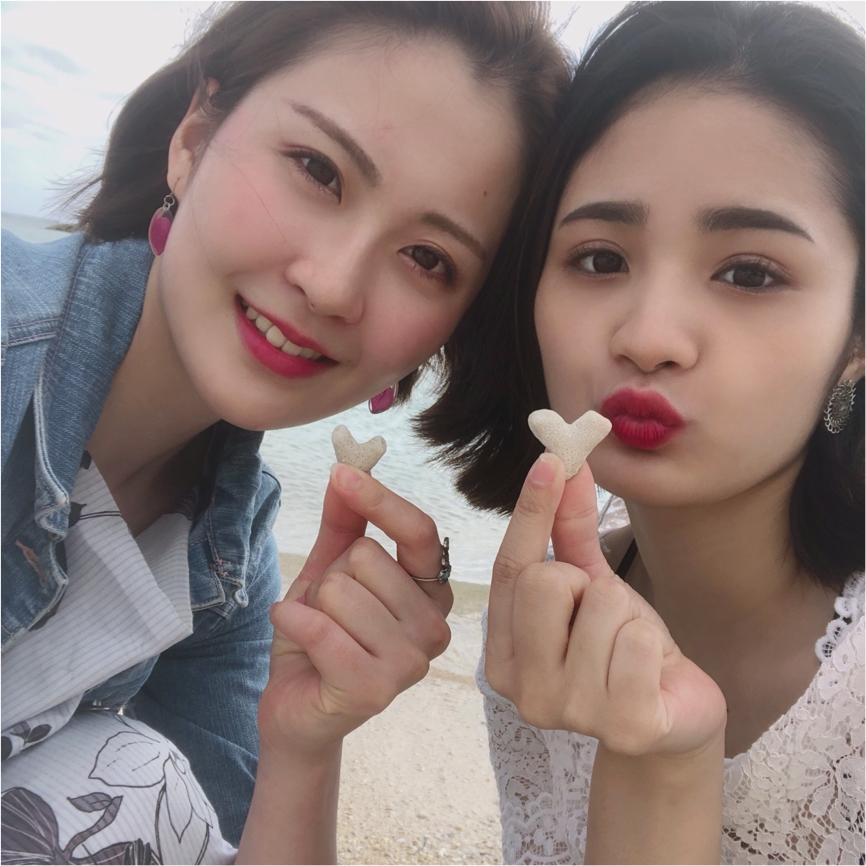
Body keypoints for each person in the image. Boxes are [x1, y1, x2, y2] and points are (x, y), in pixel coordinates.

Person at [0, 1, 570, 862]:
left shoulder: (224, 560)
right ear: (195, 136)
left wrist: (308, 738)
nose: (334, 286)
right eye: (317, 169)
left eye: (428, 258)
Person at [417, 0, 866, 863]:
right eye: (599, 258)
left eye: (749, 273)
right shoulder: (547, 629)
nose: (649, 336)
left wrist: (665, 777)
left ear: (857, 338)